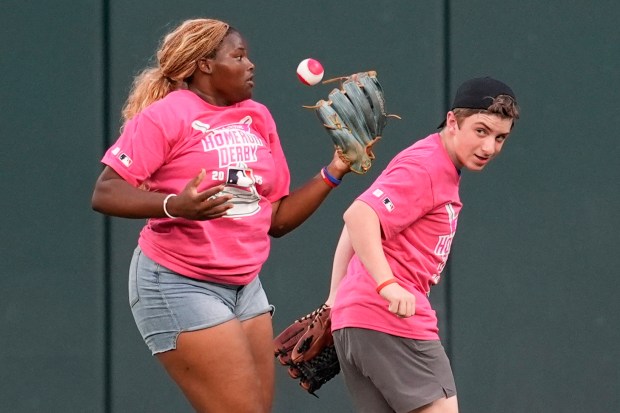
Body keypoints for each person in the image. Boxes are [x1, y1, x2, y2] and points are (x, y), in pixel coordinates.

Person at [91, 18, 351, 413]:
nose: (251, 65)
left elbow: (276, 220)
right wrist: (172, 204)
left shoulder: (257, 117)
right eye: (239, 56)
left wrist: (334, 170)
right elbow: (105, 191)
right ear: (205, 65)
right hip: (178, 280)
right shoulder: (167, 116)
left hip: (244, 286)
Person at [324, 77, 520, 413]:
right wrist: (387, 286)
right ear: (453, 122)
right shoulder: (428, 165)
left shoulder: (429, 159)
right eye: (481, 131)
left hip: (356, 321)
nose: (490, 147)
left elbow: (358, 221)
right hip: (391, 319)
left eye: (500, 137)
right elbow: (358, 216)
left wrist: (334, 300)